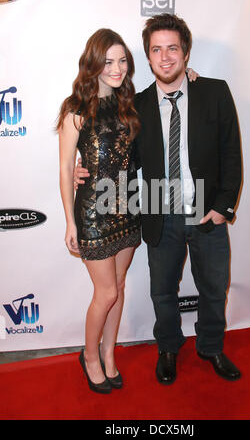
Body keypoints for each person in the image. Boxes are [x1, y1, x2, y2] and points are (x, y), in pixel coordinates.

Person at [75, 14, 242, 384]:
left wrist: (222, 206)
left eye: (172, 48)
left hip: (206, 211)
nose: (165, 57)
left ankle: (211, 347)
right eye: (156, 50)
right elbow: (115, 152)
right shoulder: (136, 106)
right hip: (158, 209)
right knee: (162, 291)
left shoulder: (214, 91)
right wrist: (80, 168)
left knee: (214, 288)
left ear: (185, 52)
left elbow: (231, 153)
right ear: (148, 58)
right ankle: (167, 348)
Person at [57, 29, 141, 393]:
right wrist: (69, 221)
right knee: (105, 293)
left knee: (119, 287)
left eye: (122, 60)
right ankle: (89, 356)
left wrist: (192, 75)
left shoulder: (131, 103)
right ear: (93, 63)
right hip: (93, 210)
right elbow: (64, 169)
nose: (117, 68)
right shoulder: (75, 109)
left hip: (130, 206)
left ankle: (109, 353)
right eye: (108, 61)